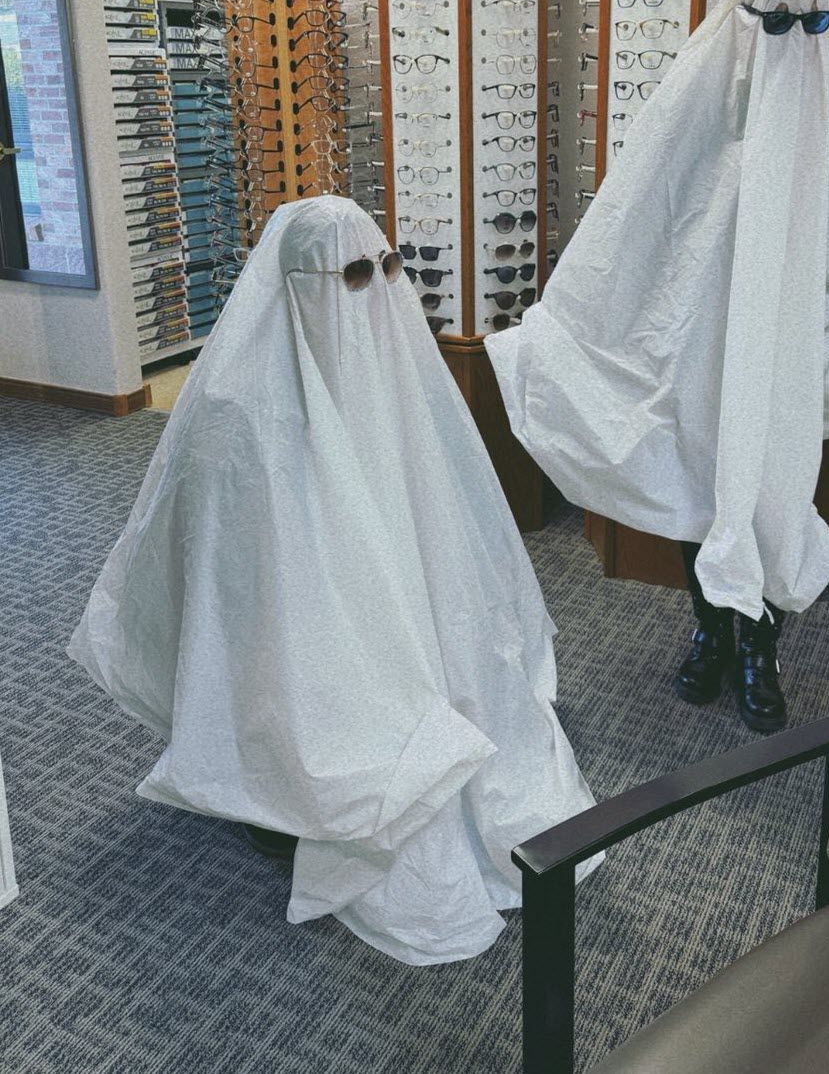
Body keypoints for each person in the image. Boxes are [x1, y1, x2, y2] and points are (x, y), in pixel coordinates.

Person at [69, 196, 597, 964]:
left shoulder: (399, 381)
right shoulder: (235, 409)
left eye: (387, 268)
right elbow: (233, 581)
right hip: (283, 625)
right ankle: (277, 775)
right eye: (351, 274)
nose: (377, 290)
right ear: (293, 283)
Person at [486, 0, 829, 731]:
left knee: (772, 488)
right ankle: (711, 630)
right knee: (702, 486)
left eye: (811, 19)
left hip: (789, 347)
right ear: (742, 14)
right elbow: (634, 214)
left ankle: (761, 648)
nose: (792, 37)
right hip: (696, 342)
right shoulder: (695, 97)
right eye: (773, 20)